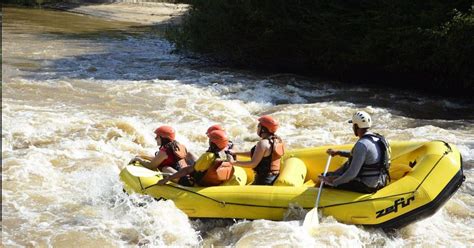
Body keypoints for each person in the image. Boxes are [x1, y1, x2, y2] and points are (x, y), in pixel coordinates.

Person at [319, 111, 391, 193]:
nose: (353, 127)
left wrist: (332, 182)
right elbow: (362, 156)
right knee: (331, 175)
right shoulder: (378, 138)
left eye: (353, 125)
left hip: (367, 186)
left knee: (324, 179)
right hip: (382, 181)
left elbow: (351, 174)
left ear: (356, 126)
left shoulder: (362, 144)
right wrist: (339, 152)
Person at [158, 130, 234, 186]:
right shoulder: (228, 154)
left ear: (213, 142)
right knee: (189, 154)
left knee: (166, 168)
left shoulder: (208, 157)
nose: (209, 141)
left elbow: (187, 170)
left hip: (196, 183)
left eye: (210, 139)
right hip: (213, 180)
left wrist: (167, 179)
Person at [129, 125, 196, 185]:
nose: (155, 138)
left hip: (184, 180)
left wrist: (139, 160)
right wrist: (143, 156)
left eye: (157, 136)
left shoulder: (165, 151)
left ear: (163, 138)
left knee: (165, 168)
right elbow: (159, 159)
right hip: (190, 175)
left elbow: (151, 166)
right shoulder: (179, 146)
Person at [229, 115, 285, 185]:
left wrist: (233, 162)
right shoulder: (277, 140)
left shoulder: (263, 143)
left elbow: (253, 164)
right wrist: (236, 153)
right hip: (274, 177)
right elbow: (258, 154)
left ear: (263, 129)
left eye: (258, 126)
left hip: (264, 180)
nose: (257, 128)